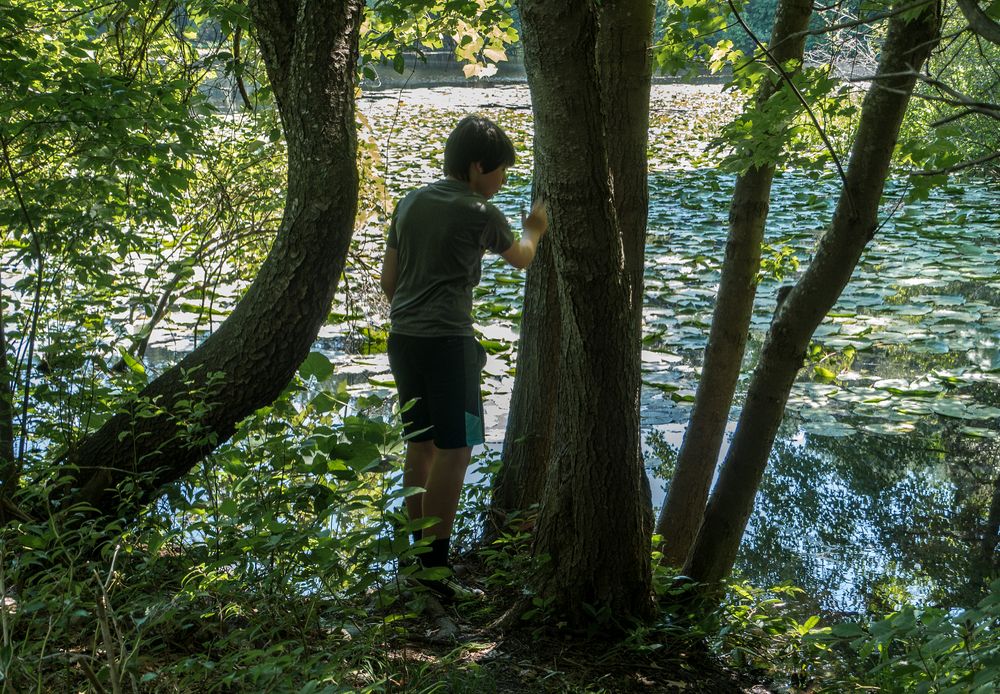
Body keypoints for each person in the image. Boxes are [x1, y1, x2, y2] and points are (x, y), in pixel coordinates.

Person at [379, 114, 548, 601]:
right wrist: (534, 227)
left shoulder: (409, 202)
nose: (502, 182)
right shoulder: (480, 210)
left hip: (403, 340)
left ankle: (418, 561)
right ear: (478, 167)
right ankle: (436, 572)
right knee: (459, 448)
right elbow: (521, 257)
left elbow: (389, 283)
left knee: (422, 446)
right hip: (450, 344)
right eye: (501, 172)